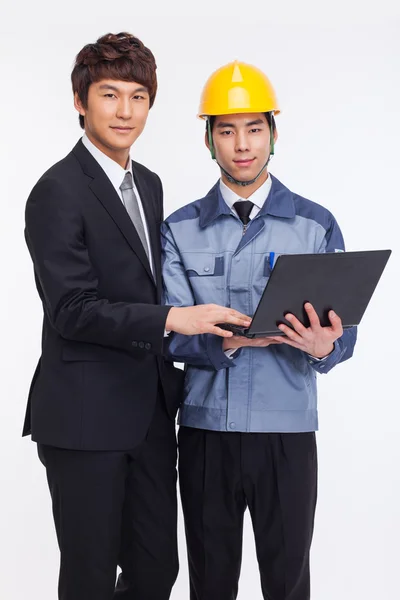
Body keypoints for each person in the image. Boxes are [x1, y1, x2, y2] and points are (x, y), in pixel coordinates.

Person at [23, 36, 250, 600]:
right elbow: (72, 310)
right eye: (109, 95)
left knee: (156, 571)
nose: (125, 111)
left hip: (149, 412)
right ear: (80, 100)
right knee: (90, 576)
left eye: (138, 96)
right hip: (83, 416)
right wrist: (175, 318)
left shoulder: (146, 184)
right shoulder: (56, 191)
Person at [161, 60, 357, 600]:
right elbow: (167, 330)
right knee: (211, 583)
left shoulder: (315, 224)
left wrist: (327, 348)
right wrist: (222, 343)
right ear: (208, 140)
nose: (241, 144)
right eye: (226, 130)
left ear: (274, 134)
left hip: (287, 432)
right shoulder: (178, 229)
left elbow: (346, 328)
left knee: (288, 584)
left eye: (254, 129)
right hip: (206, 432)